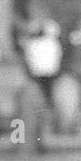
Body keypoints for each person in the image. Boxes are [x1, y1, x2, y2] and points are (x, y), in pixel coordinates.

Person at [18, 16, 63, 152]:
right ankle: (41, 140)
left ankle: (37, 140)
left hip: (37, 78)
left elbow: (27, 61)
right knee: (45, 110)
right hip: (48, 78)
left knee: (36, 110)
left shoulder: (33, 44)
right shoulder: (53, 44)